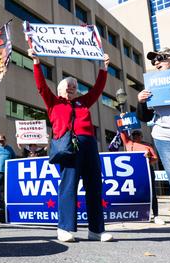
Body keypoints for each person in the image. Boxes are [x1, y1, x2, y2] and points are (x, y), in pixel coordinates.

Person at [29, 49, 113, 242]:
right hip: (68, 147)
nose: (71, 87)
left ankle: (96, 230)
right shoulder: (53, 103)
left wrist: (104, 68)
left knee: (94, 187)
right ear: (59, 90)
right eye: (67, 85)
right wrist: (35, 62)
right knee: (68, 187)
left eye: (74, 86)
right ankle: (64, 228)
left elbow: (98, 89)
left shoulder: (84, 102)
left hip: (89, 145)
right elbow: (41, 86)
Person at [137, 48, 170, 245]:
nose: (156, 63)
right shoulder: (154, 86)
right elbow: (144, 118)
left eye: (161, 58)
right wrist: (141, 102)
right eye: (153, 61)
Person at [119, 129, 165, 225]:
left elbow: (155, 158)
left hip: (147, 171)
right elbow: (122, 132)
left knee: (152, 193)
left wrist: (147, 160)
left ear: (141, 136)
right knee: (132, 192)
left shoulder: (147, 145)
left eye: (138, 134)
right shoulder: (129, 143)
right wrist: (122, 119)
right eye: (134, 135)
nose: (136, 136)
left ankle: (156, 215)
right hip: (133, 172)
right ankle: (134, 214)